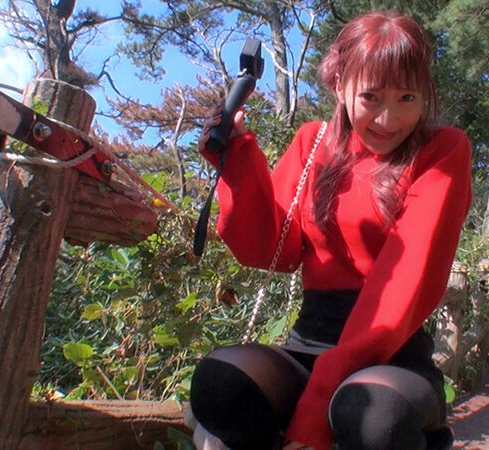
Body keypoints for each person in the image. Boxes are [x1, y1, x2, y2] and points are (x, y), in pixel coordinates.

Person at [191, 10, 472, 450]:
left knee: (374, 418)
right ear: (340, 86)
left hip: (391, 357)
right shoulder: (313, 143)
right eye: (371, 97)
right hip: (308, 343)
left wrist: (313, 413)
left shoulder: (443, 150)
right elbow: (272, 251)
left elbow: (404, 282)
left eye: (407, 97)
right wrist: (238, 160)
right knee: (221, 385)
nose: (388, 119)